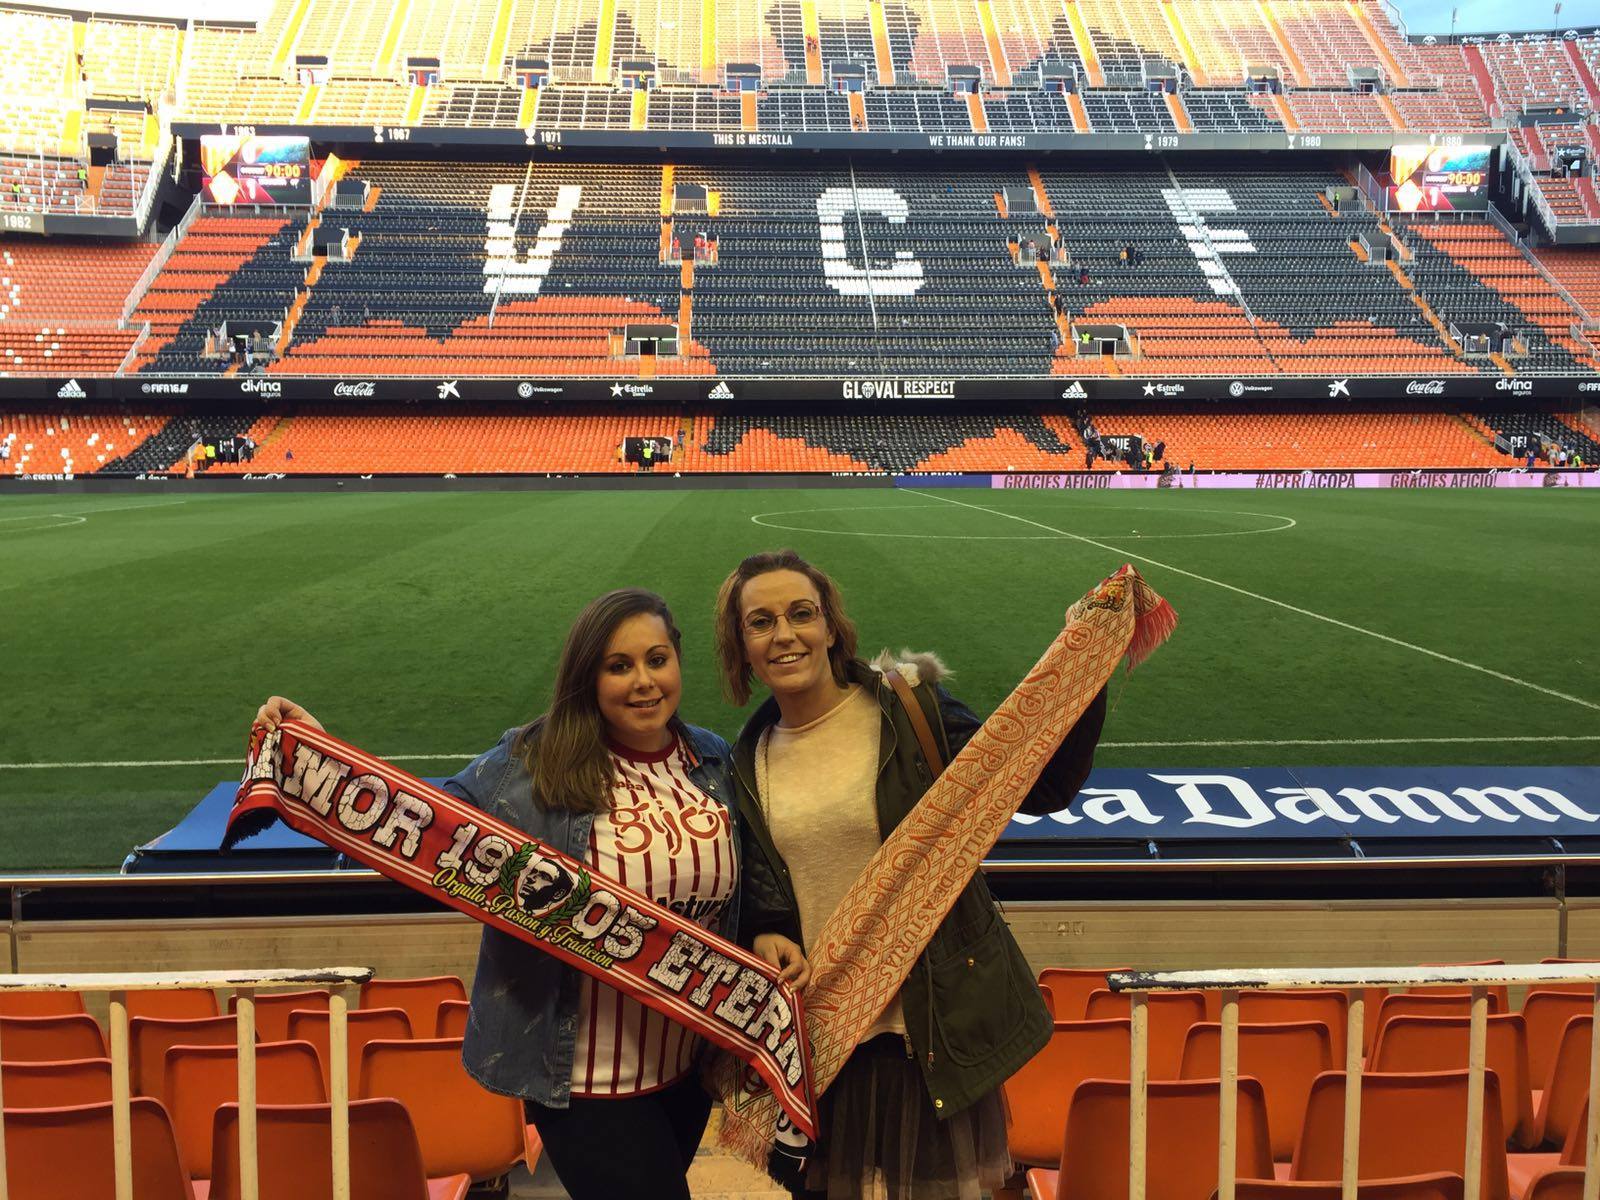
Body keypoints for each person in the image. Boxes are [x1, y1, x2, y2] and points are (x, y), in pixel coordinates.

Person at [252, 590, 808, 1200]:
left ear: (677, 659)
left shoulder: (712, 758)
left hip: (683, 1070)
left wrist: (765, 929)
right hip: (580, 1080)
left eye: (656, 660)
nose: (644, 682)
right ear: (588, 677)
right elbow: (418, 827)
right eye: (618, 666)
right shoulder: (532, 759)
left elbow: (745, 876)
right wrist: (323, 758)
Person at [714, 550, 1107, 1200]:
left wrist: (1085, 662)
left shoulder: (909, 709)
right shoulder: (745, 761)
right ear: (743, 647)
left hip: (926, 1030)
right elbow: (764, 894)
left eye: (801, 614)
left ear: (830, 626)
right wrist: (763, 931)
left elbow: (1042, 785)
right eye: (761, 622)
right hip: (824, 1041)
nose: (784, 634)